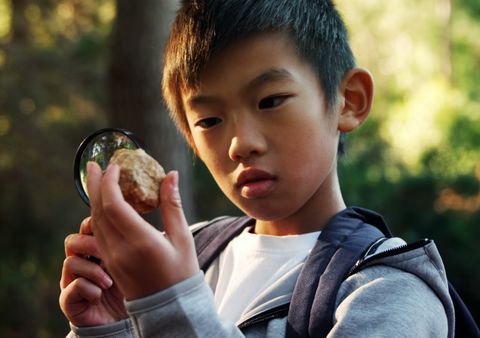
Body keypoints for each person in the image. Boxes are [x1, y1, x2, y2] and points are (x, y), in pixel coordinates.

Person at [59, 1, 455, 337]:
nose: (239, 144)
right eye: (210, 121)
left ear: (348, 101)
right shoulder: (191, 253)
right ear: (190, 141)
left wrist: (168, 303)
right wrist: (111, 326)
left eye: (270, 101)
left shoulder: (390, 291)